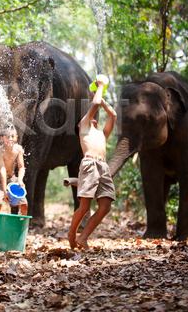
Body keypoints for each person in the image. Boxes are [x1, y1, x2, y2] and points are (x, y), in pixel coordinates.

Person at [68, 77, 117, 250]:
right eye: (88, 118)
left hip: (103, 167)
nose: (93, 118)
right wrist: (101, 86)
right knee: (84, 207)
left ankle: (83, 238)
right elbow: (94, 105)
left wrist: (100, 96)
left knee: (105, 206)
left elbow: (113, 115)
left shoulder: (102, 134)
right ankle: (72, 233)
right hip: (89, 164)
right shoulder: (84, 127)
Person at [0, 124, 28, 216]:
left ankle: (22, 223)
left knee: (24, 204)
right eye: (7, 137)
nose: (10, 139)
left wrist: (20, 180)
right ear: (2, 138)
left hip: (12, 178)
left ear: (16, 138)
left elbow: (21, 167)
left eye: (12, 136)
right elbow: (2, 170)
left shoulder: (18, 149)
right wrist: (4, 190)